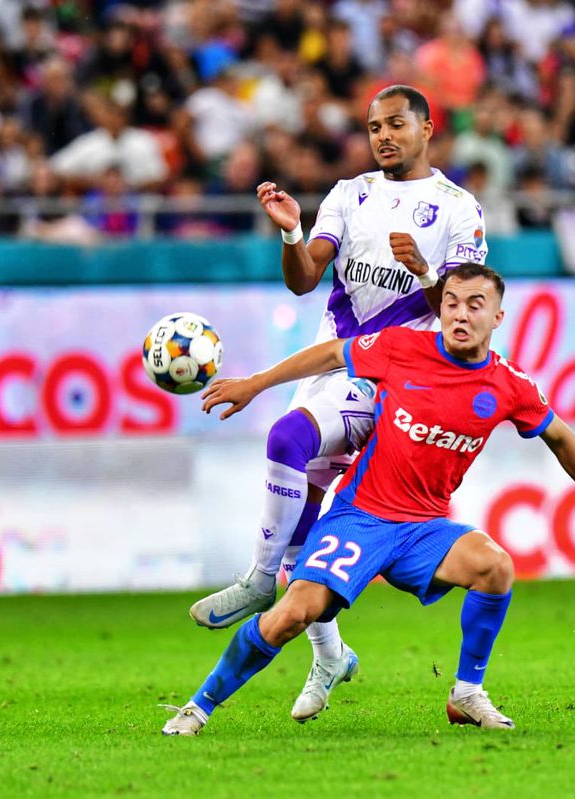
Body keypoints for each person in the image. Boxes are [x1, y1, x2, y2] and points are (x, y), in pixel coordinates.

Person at [161, 264, 575, 736]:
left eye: (475, 305)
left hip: (424, 529)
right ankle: (198, 708)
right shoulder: (401, 348)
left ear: (498, 317)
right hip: (360, 518)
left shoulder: (510, 384)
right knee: (292, 614)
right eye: (451, 303)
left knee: (495, 567)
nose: (460, 314)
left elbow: (561, 437)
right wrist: (256, 383)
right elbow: (331, 354)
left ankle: (467, 693)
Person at [187, 84, 489, 723]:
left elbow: (460, 310)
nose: (384, 136)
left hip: (391, 377)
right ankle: (330, 655)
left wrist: (428, 275)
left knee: (286, 440)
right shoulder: (349, 194)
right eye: (374, 127)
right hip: (332, 365)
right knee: (306, 512)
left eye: (396, 124)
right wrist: (292, 232)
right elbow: (304, 279)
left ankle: (261, 579)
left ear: (427, 129)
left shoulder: (459, 209)